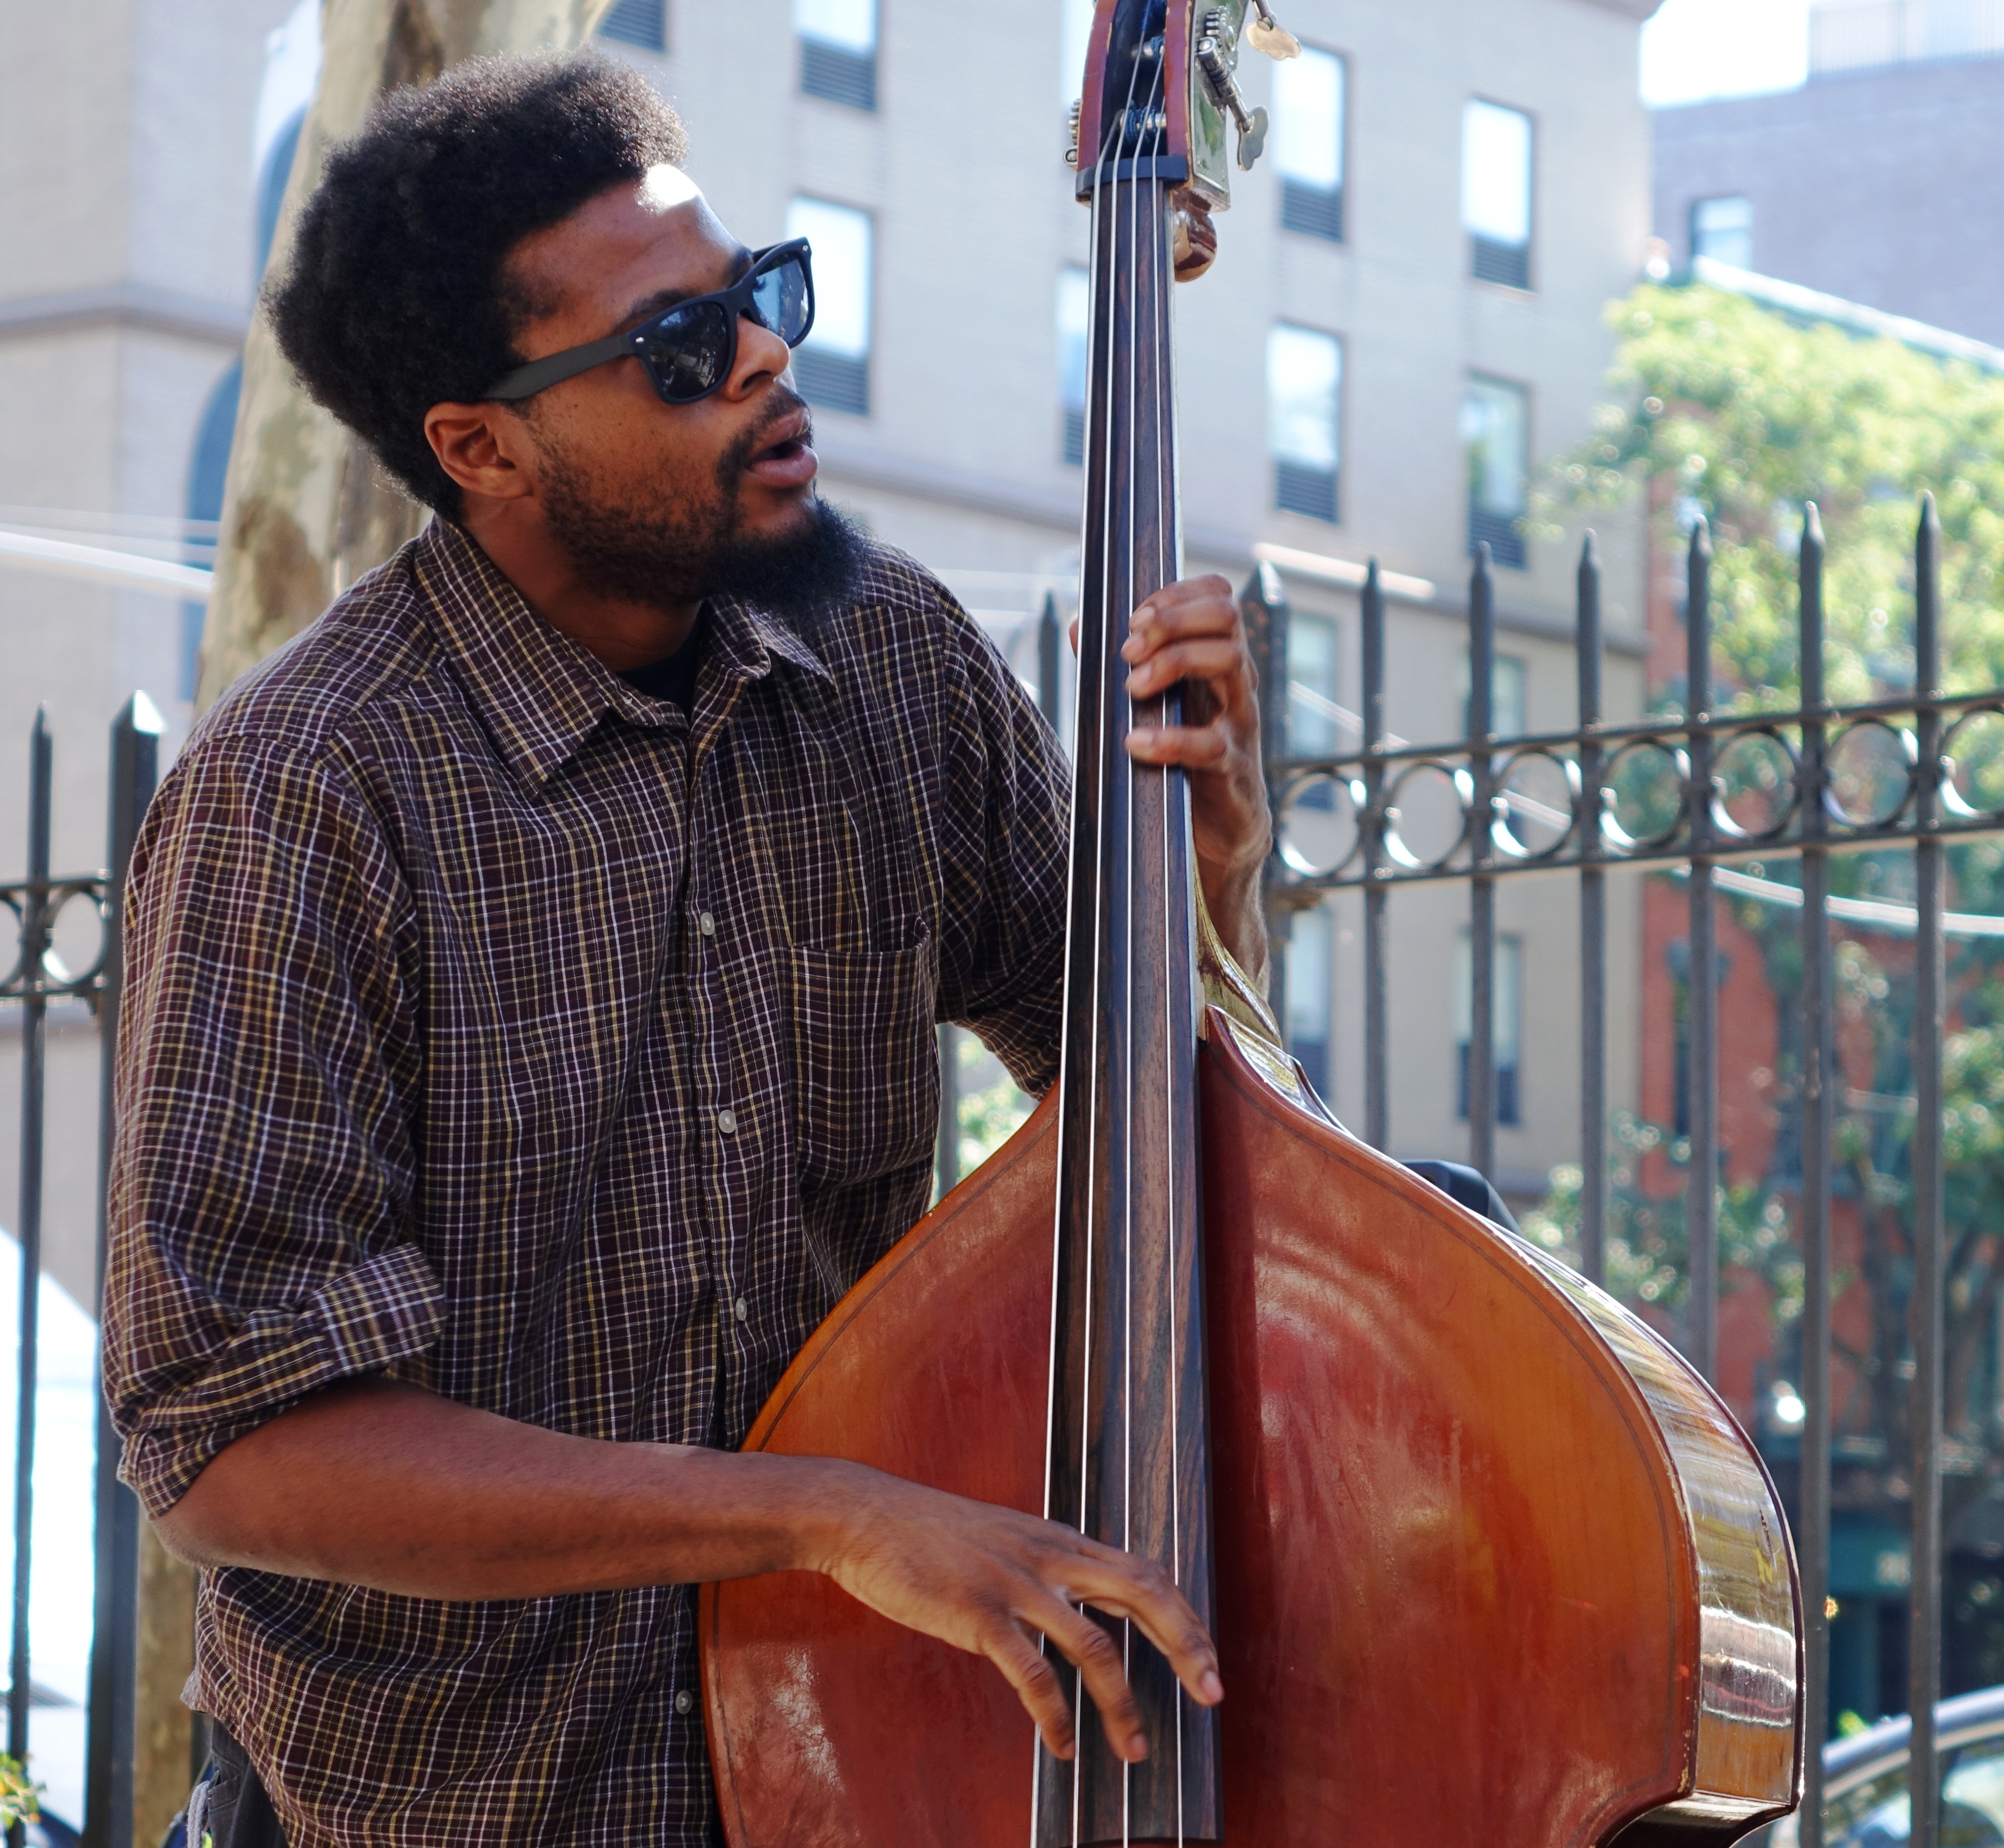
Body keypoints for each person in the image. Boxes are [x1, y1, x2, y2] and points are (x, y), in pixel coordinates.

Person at [103, 52, 1266, 1847]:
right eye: (678, 348)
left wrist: (1209, 882)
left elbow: (1166, 1134)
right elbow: (238, 1449)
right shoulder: (302, 793)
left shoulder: (899, 662)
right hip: (437, 1807)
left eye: (758, 296)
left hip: (863, 1765)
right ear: (480, 445)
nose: (761, 359)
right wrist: (814, 1511)